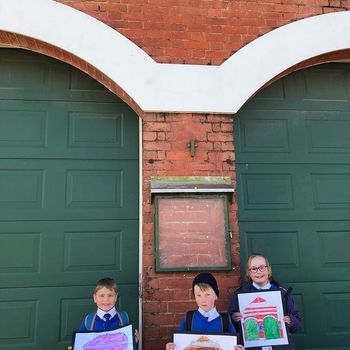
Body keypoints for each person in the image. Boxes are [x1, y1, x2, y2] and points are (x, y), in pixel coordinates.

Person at [228, 253, 301, 349]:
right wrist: (234, 318)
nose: (258, 272)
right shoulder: (240, 295)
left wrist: (291, 320)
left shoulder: (283, 293)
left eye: (262, 267)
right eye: (254, 269)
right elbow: (230, 327)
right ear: (249, 273)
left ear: (268, 269)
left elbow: (298, 325)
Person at [166, 272, 244, 350]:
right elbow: (181, 344)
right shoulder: (188, 319)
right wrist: (172, 348)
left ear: (216, 295)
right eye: (199, 295)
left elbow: (232, 344)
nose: (203, 300)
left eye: (207, 295)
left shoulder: (226, 321)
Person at [78, 277, 139, 342]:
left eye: (110, 295)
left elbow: (129, 344)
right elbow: (81, 343)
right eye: (101, 296)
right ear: (95, 298)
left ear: (115, 297)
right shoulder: (88, 321)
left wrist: (134, 341)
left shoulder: (125, 318)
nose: (106, 300)